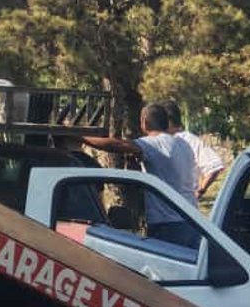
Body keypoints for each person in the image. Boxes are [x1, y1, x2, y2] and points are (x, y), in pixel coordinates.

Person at [83, 102, 199, 247]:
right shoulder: (183, 144)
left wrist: (82, 138)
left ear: (144, 122)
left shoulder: (152, 144)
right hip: (192, 220)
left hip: (167, 223)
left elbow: (117, 145)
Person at [162, 101, 226, 201]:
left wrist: (199, 192)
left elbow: (214, 166)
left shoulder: (190, 140)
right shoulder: (161, 140)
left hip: (184, 202)